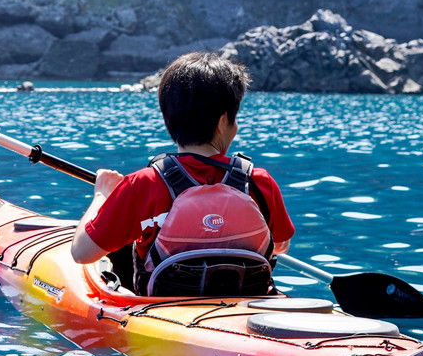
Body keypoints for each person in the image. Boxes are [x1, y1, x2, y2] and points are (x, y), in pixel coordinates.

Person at [69, 51, 294, 295]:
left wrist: (102, 195)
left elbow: (81, 253)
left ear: (169, 118)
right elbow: (279, 246)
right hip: (244, 304)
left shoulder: (143, 184)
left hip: (163, 312)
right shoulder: (259, 181)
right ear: (222, 123)